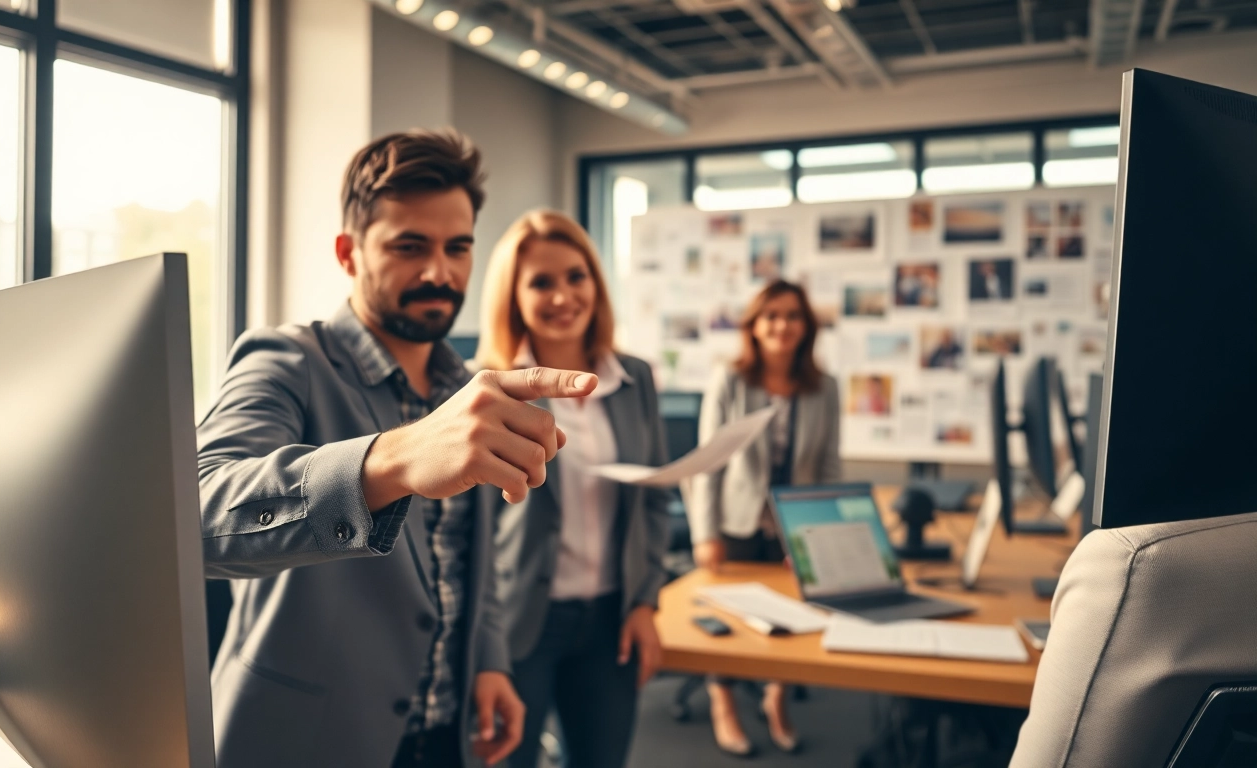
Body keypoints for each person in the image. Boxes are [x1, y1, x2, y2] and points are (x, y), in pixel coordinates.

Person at [196, 130, 598, 768]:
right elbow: (198, 516)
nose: (440, 271)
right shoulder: (286, 359)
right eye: (410, 247)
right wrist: (395, 459)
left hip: (446, 734)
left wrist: (489, 662)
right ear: (349, 253)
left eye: (457, 247)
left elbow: (470, 561)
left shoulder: (466, 386)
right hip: (307, 739)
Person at [475, 210, 669, 768]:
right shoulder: (487, 389)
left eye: (575, 277)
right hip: (520, 620)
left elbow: (654, 498)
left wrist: (645, 600)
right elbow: (472, 529)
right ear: (513, 296)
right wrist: (482, 644)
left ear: (596, 284)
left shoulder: (636, 379)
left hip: (612, 619)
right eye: (541, 282)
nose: (563, 296)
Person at [686, 279, 842, 757]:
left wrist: (823, 537)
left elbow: (830, 465)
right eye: (771, 315)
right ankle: (725, 702)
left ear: (806, 327)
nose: (782, 325)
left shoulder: (825, 387)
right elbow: (708, 462)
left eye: (792, 315)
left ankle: (777, 698)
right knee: (729, 620)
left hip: (795, 525)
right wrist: (704, 533)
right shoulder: (731, 380)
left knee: (794, 617)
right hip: (735, 521)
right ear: (754, 326)